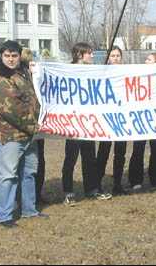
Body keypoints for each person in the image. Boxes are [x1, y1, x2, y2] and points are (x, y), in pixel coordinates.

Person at [0, 40, 47, 228]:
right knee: (8, 175)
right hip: (10, 136)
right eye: (7, 56)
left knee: (29, 173)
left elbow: (34, 98)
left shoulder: (23, 73)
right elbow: (11, 110)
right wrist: (34, 126)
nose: (11, 59)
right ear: (1, 56)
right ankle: (4, 215)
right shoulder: (0, 78)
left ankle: (29, 210)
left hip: (28, 134)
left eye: (14, 55)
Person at [62, 42, 112, 206]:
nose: (92, 56)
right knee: (71, 158)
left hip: (89, 123)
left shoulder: (93, 71)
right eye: (89, 53)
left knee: (89, 157)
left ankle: (92, 189)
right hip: (72, 123)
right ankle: (68, 192)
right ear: (79, 55)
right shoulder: (66, 72)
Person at [128, 53, 156, 191]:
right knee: (138, 149)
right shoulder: (139, 76)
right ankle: (135, 180)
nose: (146, 61)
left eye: (149, 59)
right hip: (141, 119)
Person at [96, 46, 128, 196]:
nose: (115, 58)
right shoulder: (102, 73)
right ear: (108, 58)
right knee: (103, 152)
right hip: (106, 120)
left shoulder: (128, 73)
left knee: (120, 154)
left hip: (122, 121)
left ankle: (117, 183)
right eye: (112, 56)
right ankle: (98, 183)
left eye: (117, 56)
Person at [21, 48, 47, 205]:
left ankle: (37, 193)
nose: (31, 67)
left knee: (40, 160)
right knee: (28, 163)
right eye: (28, 64)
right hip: (26, 126)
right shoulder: (19, 80)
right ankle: (27, 197)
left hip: (39, 125)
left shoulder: (37, 78)